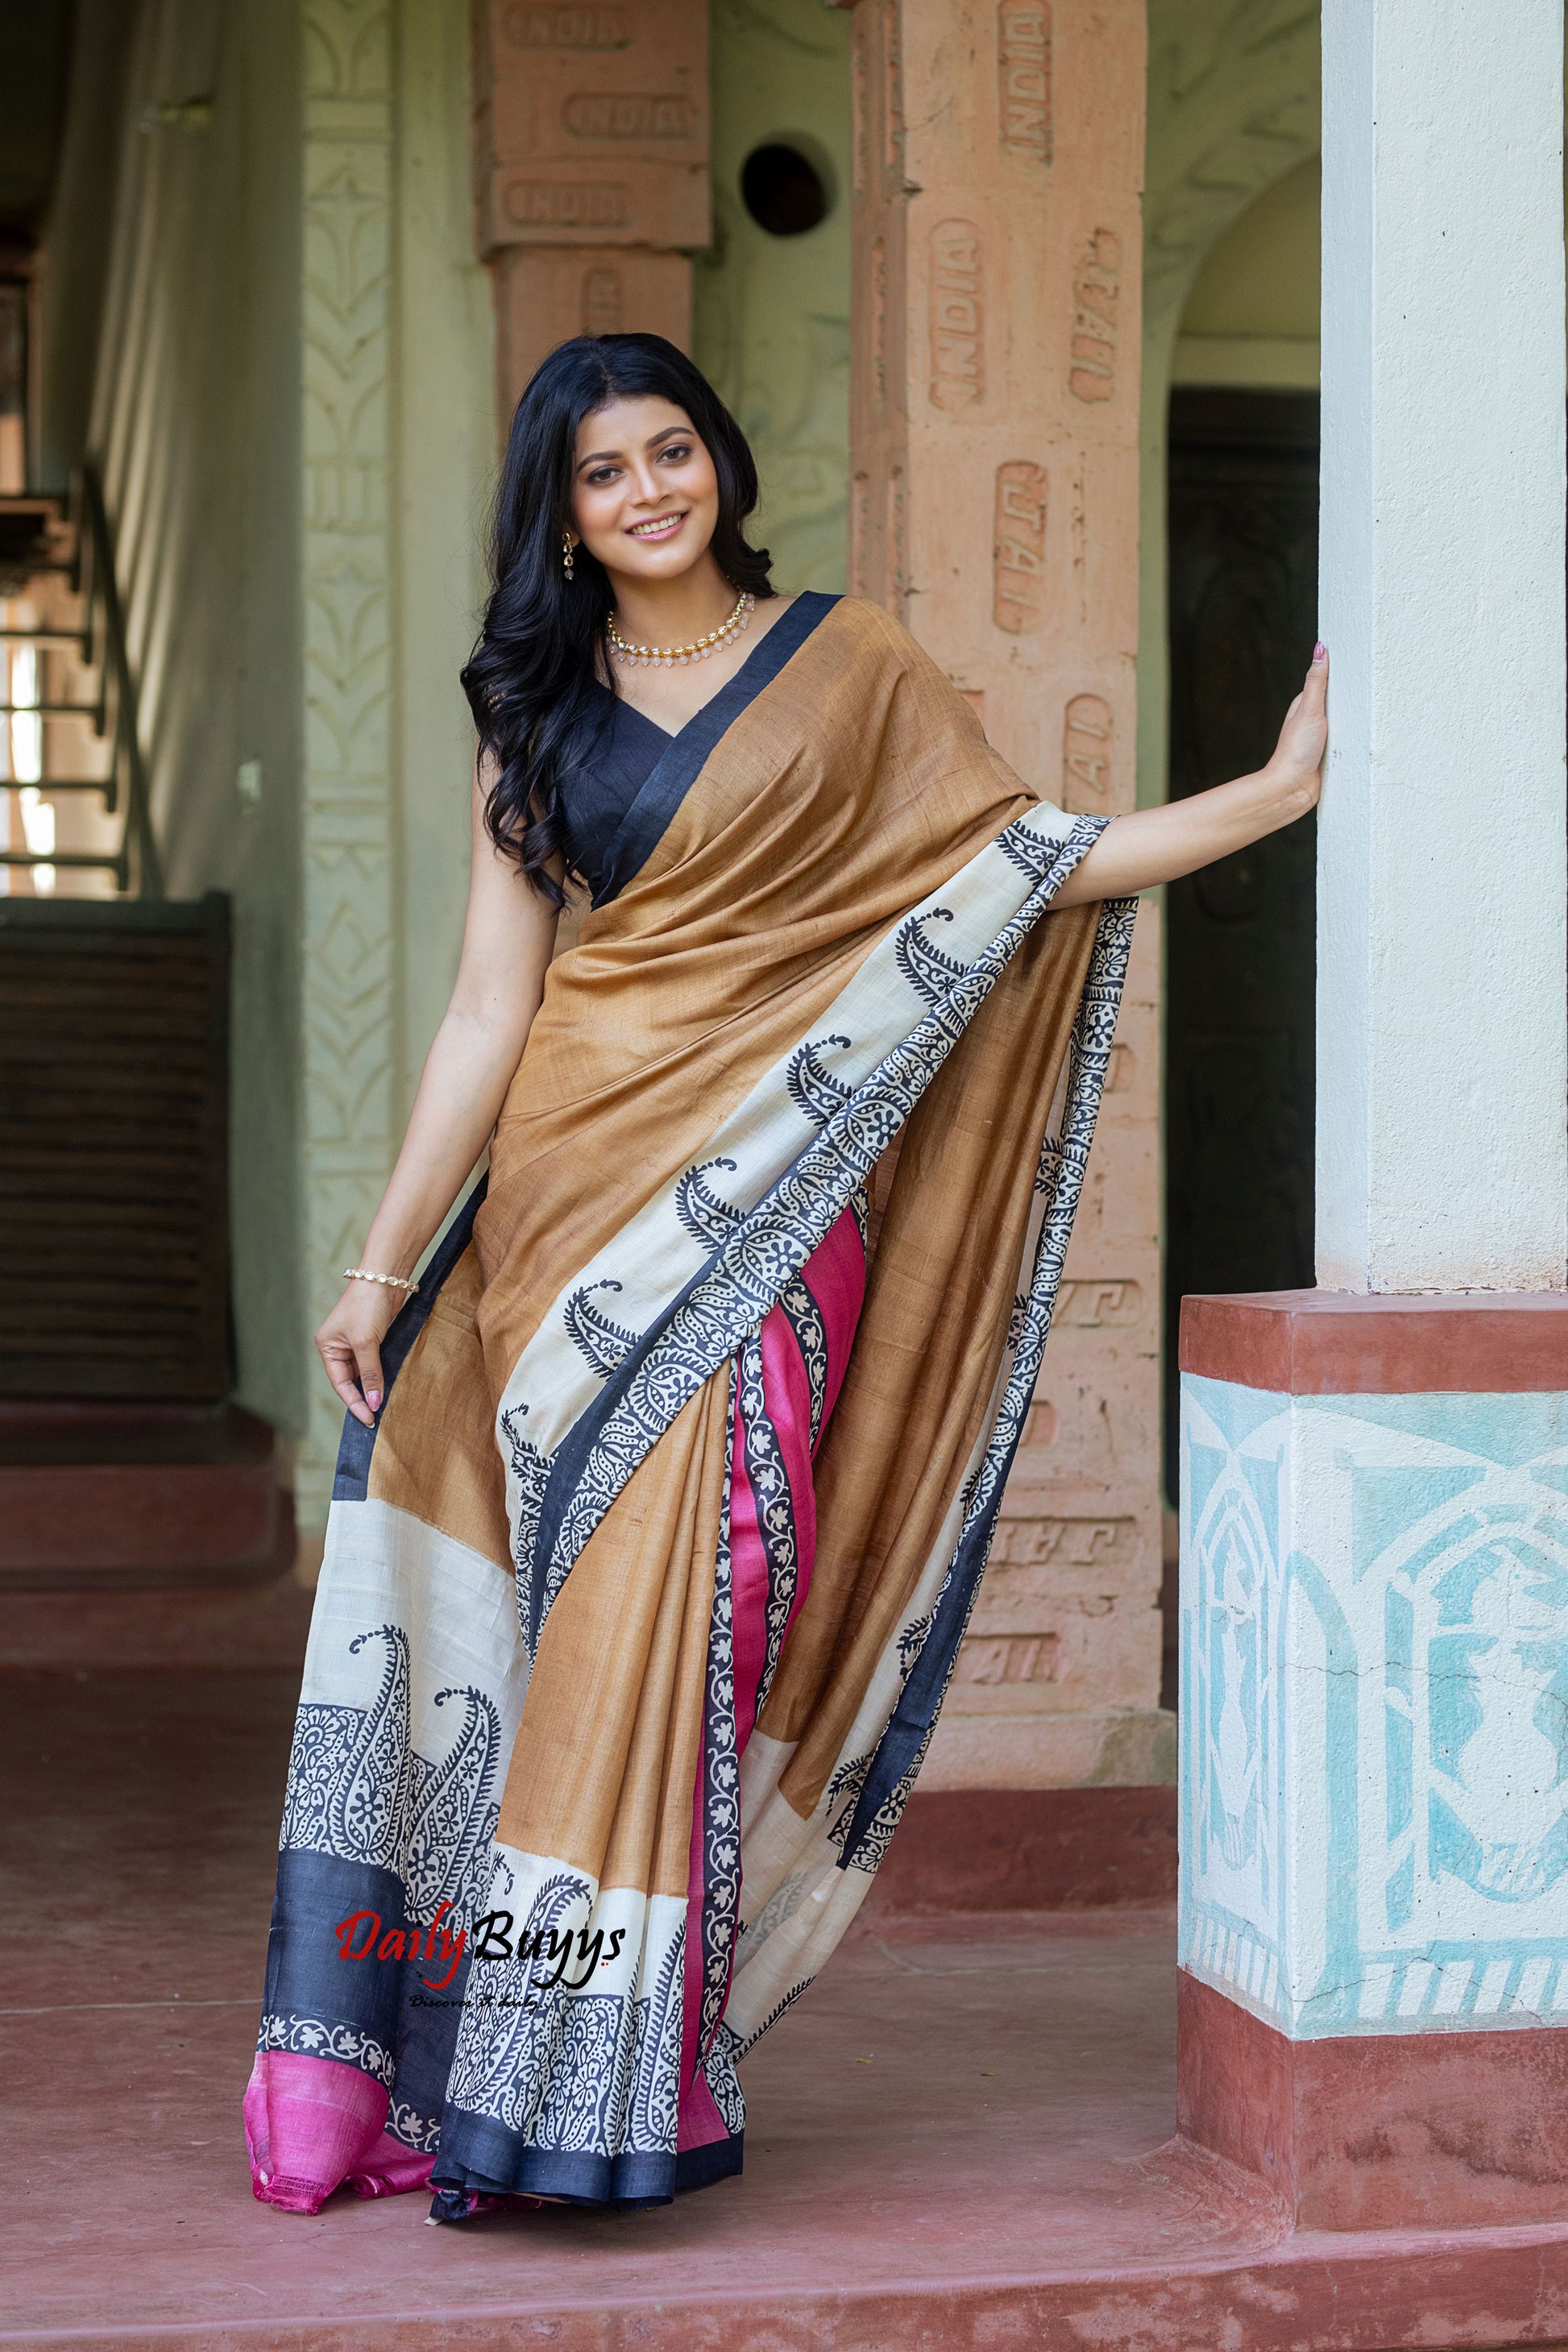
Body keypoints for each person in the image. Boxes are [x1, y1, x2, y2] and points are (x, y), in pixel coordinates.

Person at [245, 333, 1326, 2222]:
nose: (649, 490)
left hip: (771, 1198)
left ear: (720, 460)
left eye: (672, 450)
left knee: (719, 1597)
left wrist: (1266, 796)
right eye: (604, 472)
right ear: (562, 517)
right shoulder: (536, 713)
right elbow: (491, 1006)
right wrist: (380, 1258)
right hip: (563, 1212)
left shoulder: (855, 665)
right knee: (572, 1631)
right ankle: (518, 2072)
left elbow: (1014, 870)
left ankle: (587, 2051)